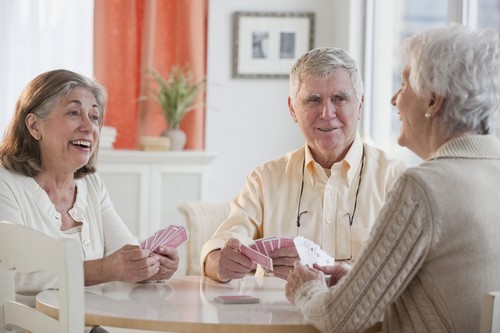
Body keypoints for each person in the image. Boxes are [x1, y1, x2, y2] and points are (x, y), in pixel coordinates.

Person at [285, 24, 500, 333]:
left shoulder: (423, 187)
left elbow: (338, 318)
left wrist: (306, 287)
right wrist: (362, 280)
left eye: (404, 84)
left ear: (432, 101)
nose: (394, 99)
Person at [201, 47, 406, 282]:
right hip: (276, 317)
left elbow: (410, 274)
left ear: (359, 105)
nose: (327, 113)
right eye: (313, 100)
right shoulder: (264, 180)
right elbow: (216, 251)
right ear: (292, 109)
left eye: (340, 99)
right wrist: (220, 264)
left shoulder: (397, 180)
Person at [0, 69, 179, 305]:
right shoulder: (6, 184)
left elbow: (123, 252)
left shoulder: (91, 185)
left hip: (90, 323)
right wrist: (103, 270)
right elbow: (13, 275)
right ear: (34, 126)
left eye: (94, 117)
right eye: (74, 113)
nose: (89, 127)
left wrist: (150, 266)